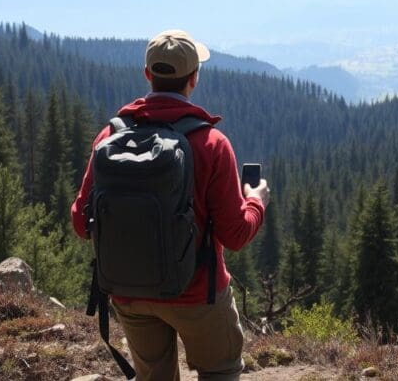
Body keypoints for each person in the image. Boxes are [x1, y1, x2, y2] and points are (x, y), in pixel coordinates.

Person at [71, 29, 269, 381]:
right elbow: (235, 235)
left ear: (148, 75)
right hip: (198, 293)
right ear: (194, 79)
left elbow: (80, 222)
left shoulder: (110, 137)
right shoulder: (211, 143)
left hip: (129, 292)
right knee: (220, 371)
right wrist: (256, 202)